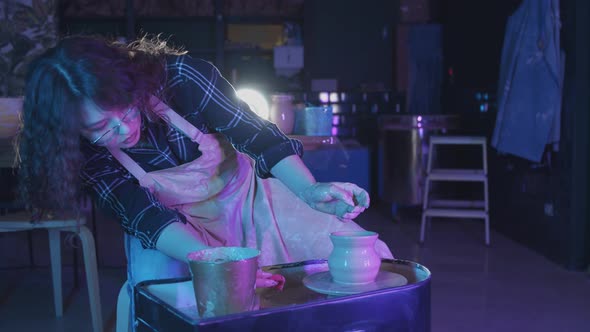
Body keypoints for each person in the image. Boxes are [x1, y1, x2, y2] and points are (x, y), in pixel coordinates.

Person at [16, 35, 393, 330]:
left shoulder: (179, 78)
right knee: (160, 295)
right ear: (73, 131)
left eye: (126, 108)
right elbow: (147, 218)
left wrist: (310, 191)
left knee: (369, 260)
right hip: (171, 227)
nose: (124, 128)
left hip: (247, 195)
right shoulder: (81, 153)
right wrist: (219, 265)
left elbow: (259, 138)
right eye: (101, 128)